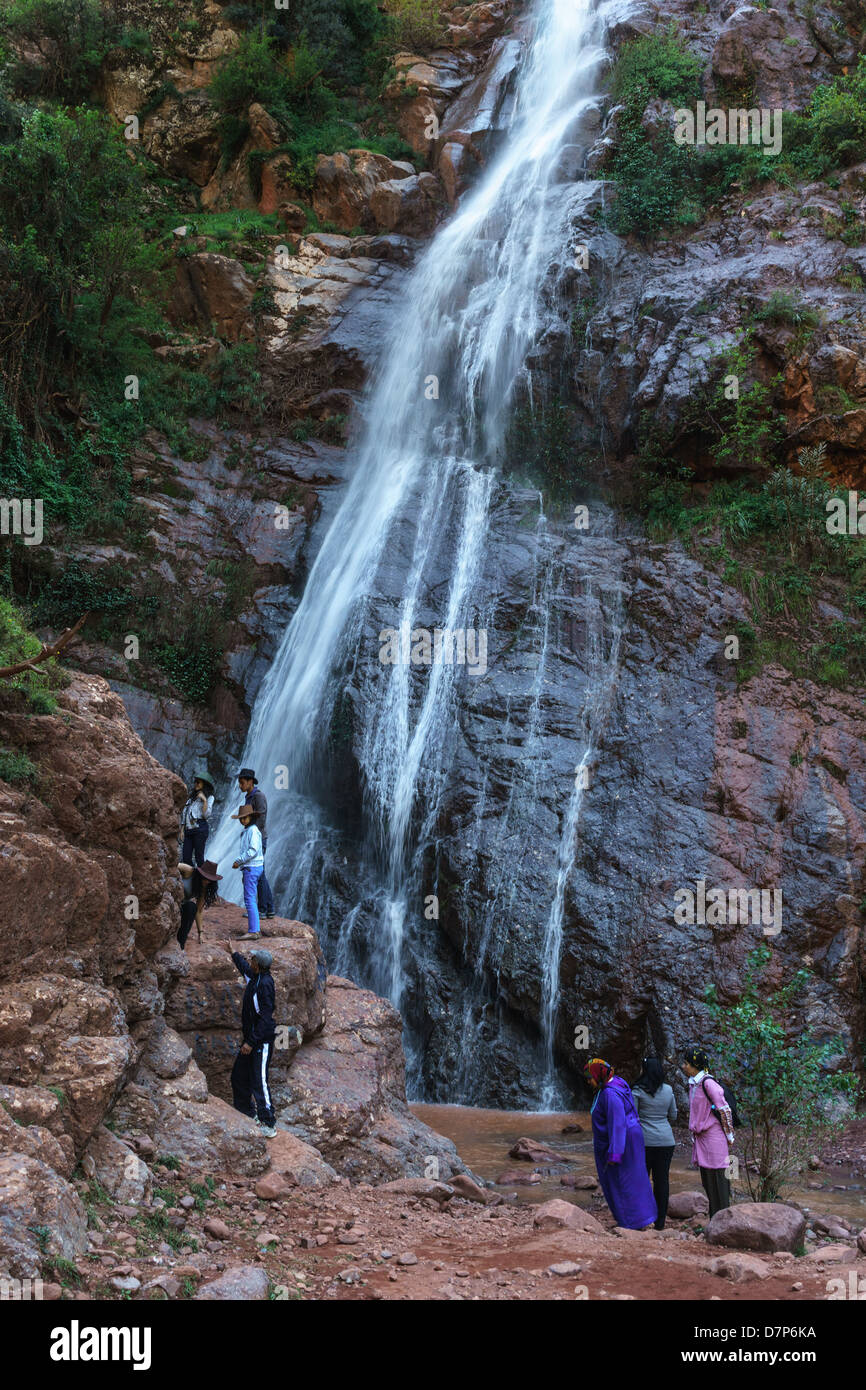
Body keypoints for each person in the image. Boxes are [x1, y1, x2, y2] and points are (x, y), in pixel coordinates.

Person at [584, 1057, 657, 1230]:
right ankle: (645, 1217)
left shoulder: (610, 1094)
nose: (588, 1081)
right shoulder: (617, 1082)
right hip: (630, 1137)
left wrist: (615, 1153)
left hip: (621, 1142)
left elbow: (618, 1124)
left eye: (590, 1077)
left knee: (624, 1180)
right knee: (636, 1177)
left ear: (598, 1075)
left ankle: (632, 1222)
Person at [224, 941, 277, 1137]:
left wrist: (251, 1042)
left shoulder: (264, 985)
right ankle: (246, 1113)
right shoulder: (255, 977)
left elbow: (266, 1018)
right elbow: (244, 968)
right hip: (251, 1040)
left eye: (252, 958)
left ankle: (268, 1123)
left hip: (260, 1042)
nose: (250, 960)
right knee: (238, 1076)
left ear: (259, 964)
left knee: (259, 1081)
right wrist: (233, 953)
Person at [682, 1043, 734, 1217]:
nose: (684, 1067)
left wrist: (729, 1135)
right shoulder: (694, 1084)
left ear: (694, 1066)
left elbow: (724, 1109)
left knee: (720, 1177)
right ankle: (714, 1217)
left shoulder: (708, 1083)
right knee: (708, 1178)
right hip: (702, 1138)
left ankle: (724, 1218)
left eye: (686, 1064)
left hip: (714, 1138)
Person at [633, 1056, 677, 1230]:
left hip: (644, 1141)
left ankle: (641, 1219)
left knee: (641, 1180)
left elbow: (632, 1117)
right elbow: (673, 1115)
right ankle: (660, 1223)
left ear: (645, 1070)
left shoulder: (637, 1091)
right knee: (662, 1181)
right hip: (666, 1141)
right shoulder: (668, 1090)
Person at [237, 768, 275, 919]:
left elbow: (261, 819)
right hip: (254, 838)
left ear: (250, 782)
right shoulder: (249, 796)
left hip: (258, 840)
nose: (240, 786)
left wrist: (252, 838)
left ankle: (262, 910)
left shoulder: (258, 796)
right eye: (239, 783)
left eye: (242, 782)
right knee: (261, 874)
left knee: (258, 874)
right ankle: (269, 909)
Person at [232, 803, 264, 938]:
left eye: (245, 818)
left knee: (249, 899)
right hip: (251, 867)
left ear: (251, 817)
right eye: (241, 818)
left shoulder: (252, 831)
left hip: (252, 867)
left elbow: (253, 850)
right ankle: (255, 929)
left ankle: (254, 931)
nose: (242, 820)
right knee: (251, 898)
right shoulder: (248, 830)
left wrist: (239, 861)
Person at [177, 860, 221, 950]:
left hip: (181, 907)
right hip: (170, 900)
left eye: (210, 880)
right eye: (205, 877)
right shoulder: (189, 871)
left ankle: (180, 943)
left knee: (191, 907)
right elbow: (172, 865)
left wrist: (200, 932)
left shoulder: (204, 888)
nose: (207, 881)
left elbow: (199, 911)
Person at [180, 772, 214, 867]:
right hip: (188, 829)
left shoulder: (210, 797)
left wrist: (204, 800)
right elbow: (185, 812)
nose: (196, 784)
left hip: (200, 829)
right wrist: (182, 829)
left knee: (199, 857)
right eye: (195, 782)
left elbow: (206, 815)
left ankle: (200, 880)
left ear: (205, 784)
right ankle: (190, 878)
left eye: (198, 782)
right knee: (186, 857)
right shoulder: (191, 798)